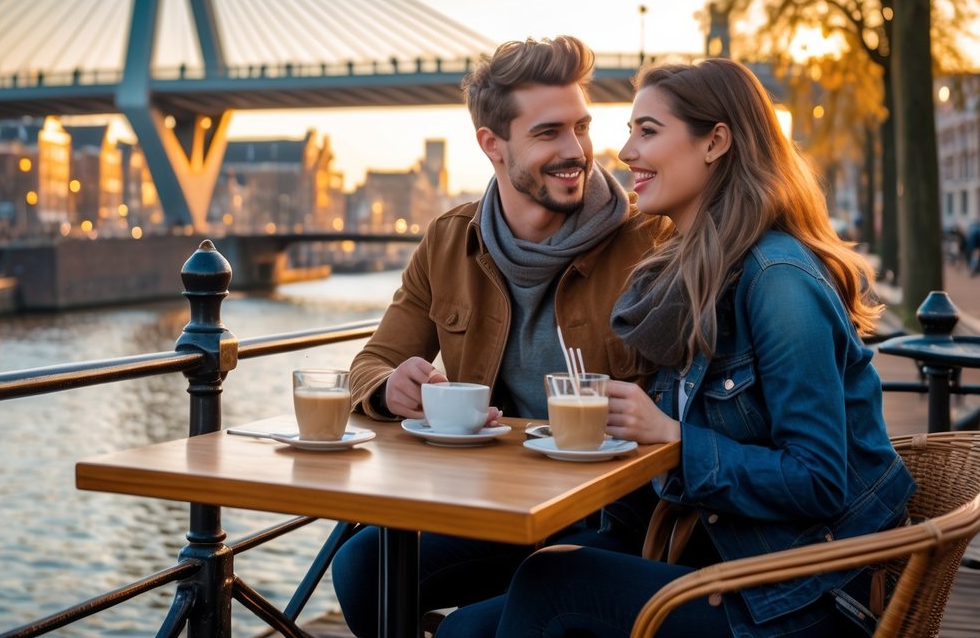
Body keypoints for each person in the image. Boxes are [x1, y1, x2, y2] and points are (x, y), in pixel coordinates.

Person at [438, 58, 916, 637]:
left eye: (647, 131)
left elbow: (818, 480)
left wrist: (672, 437)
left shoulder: (779, 281)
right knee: (470, 625)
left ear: (715, 142)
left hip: (805, 593)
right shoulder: (687, 275)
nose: (623, 153)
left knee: (553, 588)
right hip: (719, 559)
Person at [331, 35, 670, 637]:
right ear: (492, 144)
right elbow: (375, 360)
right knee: (363, 569)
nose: (577, 151)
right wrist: (391, 389)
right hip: (499, 505)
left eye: (581, 127)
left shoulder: (651, 242)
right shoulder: (447, 241)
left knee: (467, 632)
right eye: (548, 134)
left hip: (614, 519)